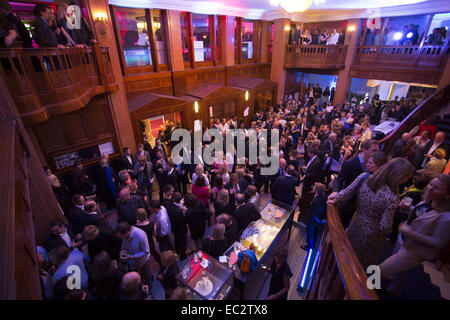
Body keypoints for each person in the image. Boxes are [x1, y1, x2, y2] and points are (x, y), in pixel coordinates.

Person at [327, 158, 414, 268]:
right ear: (399, 176)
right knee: (363, 265)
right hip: (372, 237)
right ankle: (363, 284)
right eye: (406, 177)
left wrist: (335, 198)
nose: (406, 181)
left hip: (355, 223)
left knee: (346, 255)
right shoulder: (393, 197)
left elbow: (346, 192)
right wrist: (398, 225)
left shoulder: (364, 177)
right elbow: (385, 226)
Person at [379, 175, 450, 287]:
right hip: (404, 241)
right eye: (430, 184)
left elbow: (438, 242)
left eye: (436, 188)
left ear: (447, 195)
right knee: (393, 271)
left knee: (380, 270)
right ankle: (386, 290)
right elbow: (420, 217)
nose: (430, 188)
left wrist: (409, 232)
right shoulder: (428, 202)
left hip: (414, 251)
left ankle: (365, 292)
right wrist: (408, 209)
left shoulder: (446, 218)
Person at [161, 187, 187, 260]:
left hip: (174, 229)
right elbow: (182, 222)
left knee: (177, 241)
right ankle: (183, 256)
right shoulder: (178, 211)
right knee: (182, 243)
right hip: (180, 230)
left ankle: (178, 251)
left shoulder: (170, 205)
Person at [301, 183, 327, 251]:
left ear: (317, 191)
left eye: (314, 187)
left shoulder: (316, 201)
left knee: (310, 233)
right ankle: (312, 244)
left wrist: (320, 220)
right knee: (314, 233)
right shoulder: (323, 195)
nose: (312, 188)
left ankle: (309, 246)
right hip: (316, 219)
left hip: (312, 220)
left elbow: (315, 214)